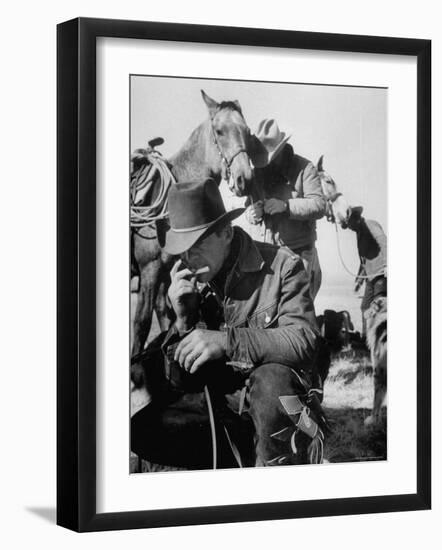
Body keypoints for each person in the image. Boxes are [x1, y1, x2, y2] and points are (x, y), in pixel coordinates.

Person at [131, 178, 328, 469]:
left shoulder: (284, 266)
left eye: (195, 246)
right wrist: (184, 320)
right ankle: (233, 465)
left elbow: (306, 340)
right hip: (224, 412)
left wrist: (226, 341)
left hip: (276, 412)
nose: (187, 258)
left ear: (225, 233)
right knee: (142, 427)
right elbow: (182, 382)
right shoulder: (195, 284)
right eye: (182, 250)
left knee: (274, 379)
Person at [245, 119, 327, 300]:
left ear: (282, 149)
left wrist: (286, 206)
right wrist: (251, 213)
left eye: (271, 158)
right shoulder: (259, 173)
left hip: (300, 257)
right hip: (269, 258)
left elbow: (319, 205)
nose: (267, 164)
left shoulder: (305, 168)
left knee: (299, 316)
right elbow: (249, 204)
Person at [347, 207, 387, 337]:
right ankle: (366, 340)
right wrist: (359, 280)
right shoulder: (359, 233)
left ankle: (381, 341)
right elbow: (364, 260)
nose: (349, 227)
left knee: (378, 308)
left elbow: (384, 243)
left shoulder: (370, 225)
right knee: (365, 307)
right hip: (371, 276)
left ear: (357, 219)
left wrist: (388, 265)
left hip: (381, 274)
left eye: (350, 224)